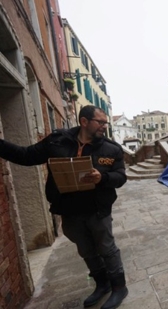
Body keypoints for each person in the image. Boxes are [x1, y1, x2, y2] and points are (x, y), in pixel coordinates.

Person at [0, 105, 128, 309]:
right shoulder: (56, 141)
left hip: (98, 208)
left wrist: (102, 177)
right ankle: (102, 284)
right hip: (69, 210)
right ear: (84, 121)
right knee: (85, 250)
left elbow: (121, 177)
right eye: (100, 122)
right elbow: (25, 156)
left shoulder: (111, 149)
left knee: (107, 248)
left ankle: (119, 287)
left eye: (106, 122)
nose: (105, 126)